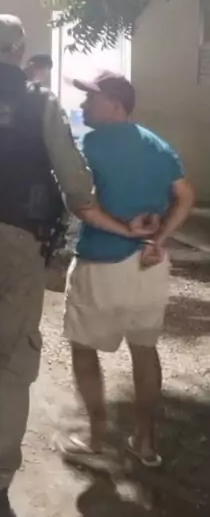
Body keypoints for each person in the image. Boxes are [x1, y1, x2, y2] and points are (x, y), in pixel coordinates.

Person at [0, 17, 152, 517]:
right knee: (12, 361)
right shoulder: (41, 104)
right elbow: (76, 186)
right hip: (18, 246)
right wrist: (117, 221)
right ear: (19, 51)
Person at [63, 71, 195, 467]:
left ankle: (97, 436)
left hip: (101, 263)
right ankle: (146, 442)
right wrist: (159, 238)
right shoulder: (157, 144)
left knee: (84, 348)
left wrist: (124, 230)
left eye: (92, 99)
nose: (84, 105)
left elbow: (82, 205)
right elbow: (186, 195)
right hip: (149, 265)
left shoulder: (89, 145)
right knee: (144, 350)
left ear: (116, 105)